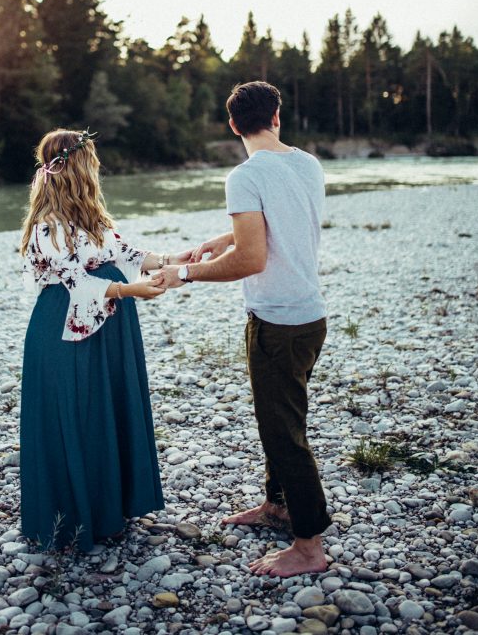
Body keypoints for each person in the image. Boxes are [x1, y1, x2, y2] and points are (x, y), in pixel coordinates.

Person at [152, 81, 331, 577]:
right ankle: (277, 505)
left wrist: (183, 273)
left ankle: (309, 545)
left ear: (233, 126)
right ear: (277, 116)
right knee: (280, 421)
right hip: (309, 317)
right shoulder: (308, 164)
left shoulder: (244, 176)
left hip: (277, 320)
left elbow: (251, 257)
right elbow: (278, 220)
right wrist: (218, 239)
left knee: (284, 433)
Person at [19, 127, 191, 552]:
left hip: (110, 324)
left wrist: (174, 259)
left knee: (107, 408)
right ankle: (77, 519)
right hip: (65, 327)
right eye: (90, 161)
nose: (96, 168)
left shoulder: (91, 218)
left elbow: (128, 254)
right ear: (77, 167)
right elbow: (73, 280)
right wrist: (130, 291)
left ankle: (112, 509)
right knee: (80, 413)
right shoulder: (48, 225)